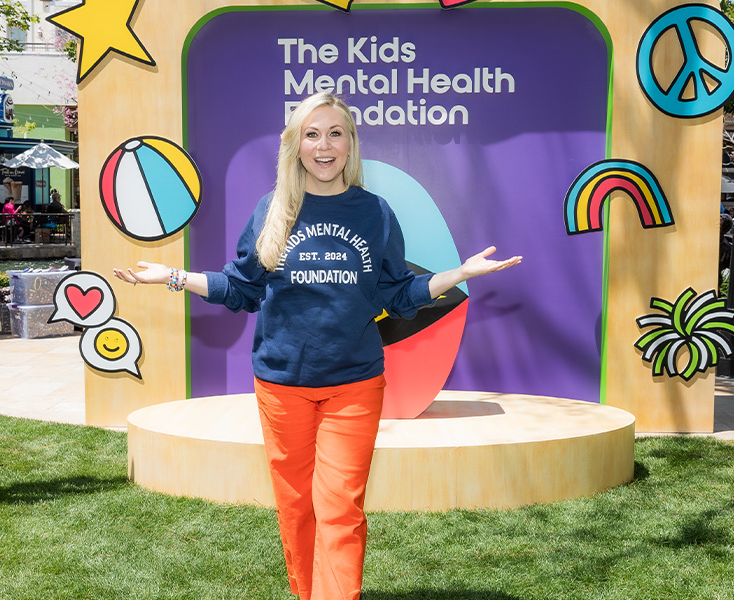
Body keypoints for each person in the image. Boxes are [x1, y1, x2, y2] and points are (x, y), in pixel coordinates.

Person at [113, 92, 521, 600]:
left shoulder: (374, 212)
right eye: (312, 134)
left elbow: (397, 296)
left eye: (335, 133)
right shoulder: (273, 209)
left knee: (340, 509)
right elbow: (241, 289)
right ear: (295, 145)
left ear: (351, 143)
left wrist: (458, 274)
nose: (324, 145)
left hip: (355, 384)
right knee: (295, 508)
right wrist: (173, 276)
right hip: (282, 385)